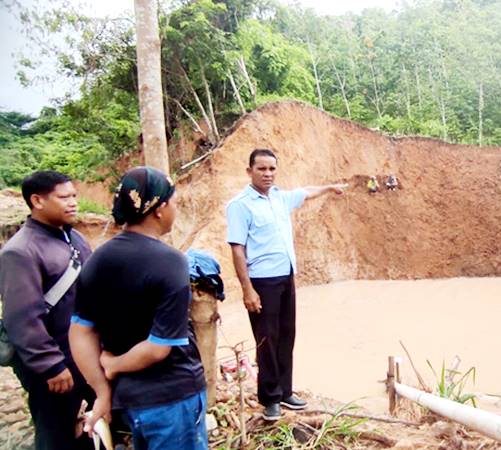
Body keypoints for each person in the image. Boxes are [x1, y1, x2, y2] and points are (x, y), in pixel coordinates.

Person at [70, 167, 207, 450]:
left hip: (130, 399)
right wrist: (112, 365)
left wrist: (101, 390)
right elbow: (158, 347)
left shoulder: (98, 259)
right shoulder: (171, 262)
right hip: (172, 397)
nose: (175, 211)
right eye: (175, 203)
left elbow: (80, 332)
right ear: (159, 209)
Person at [225, 149, 347, 421]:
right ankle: (269, 399)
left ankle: (285, 391)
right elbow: (237, 249)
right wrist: (247, 289)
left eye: (272, 169)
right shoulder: (240, 205)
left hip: (285, 276)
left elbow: (306, 191)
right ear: (249, 171)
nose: (268, 174)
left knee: (287, 334)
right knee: (267, 339)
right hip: (262, 281)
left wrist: (329, 188)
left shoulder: (280, 198)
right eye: (262, 169)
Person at [0, 171, 94, 450]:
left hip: (82, 354)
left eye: (74, 195)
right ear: (37, 201)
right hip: (55, 362)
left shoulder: (74, 238)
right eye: (64, 197)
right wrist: (50, 365)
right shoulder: (20, 251)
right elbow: (22, 318)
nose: (73, 202)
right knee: (54, 430)